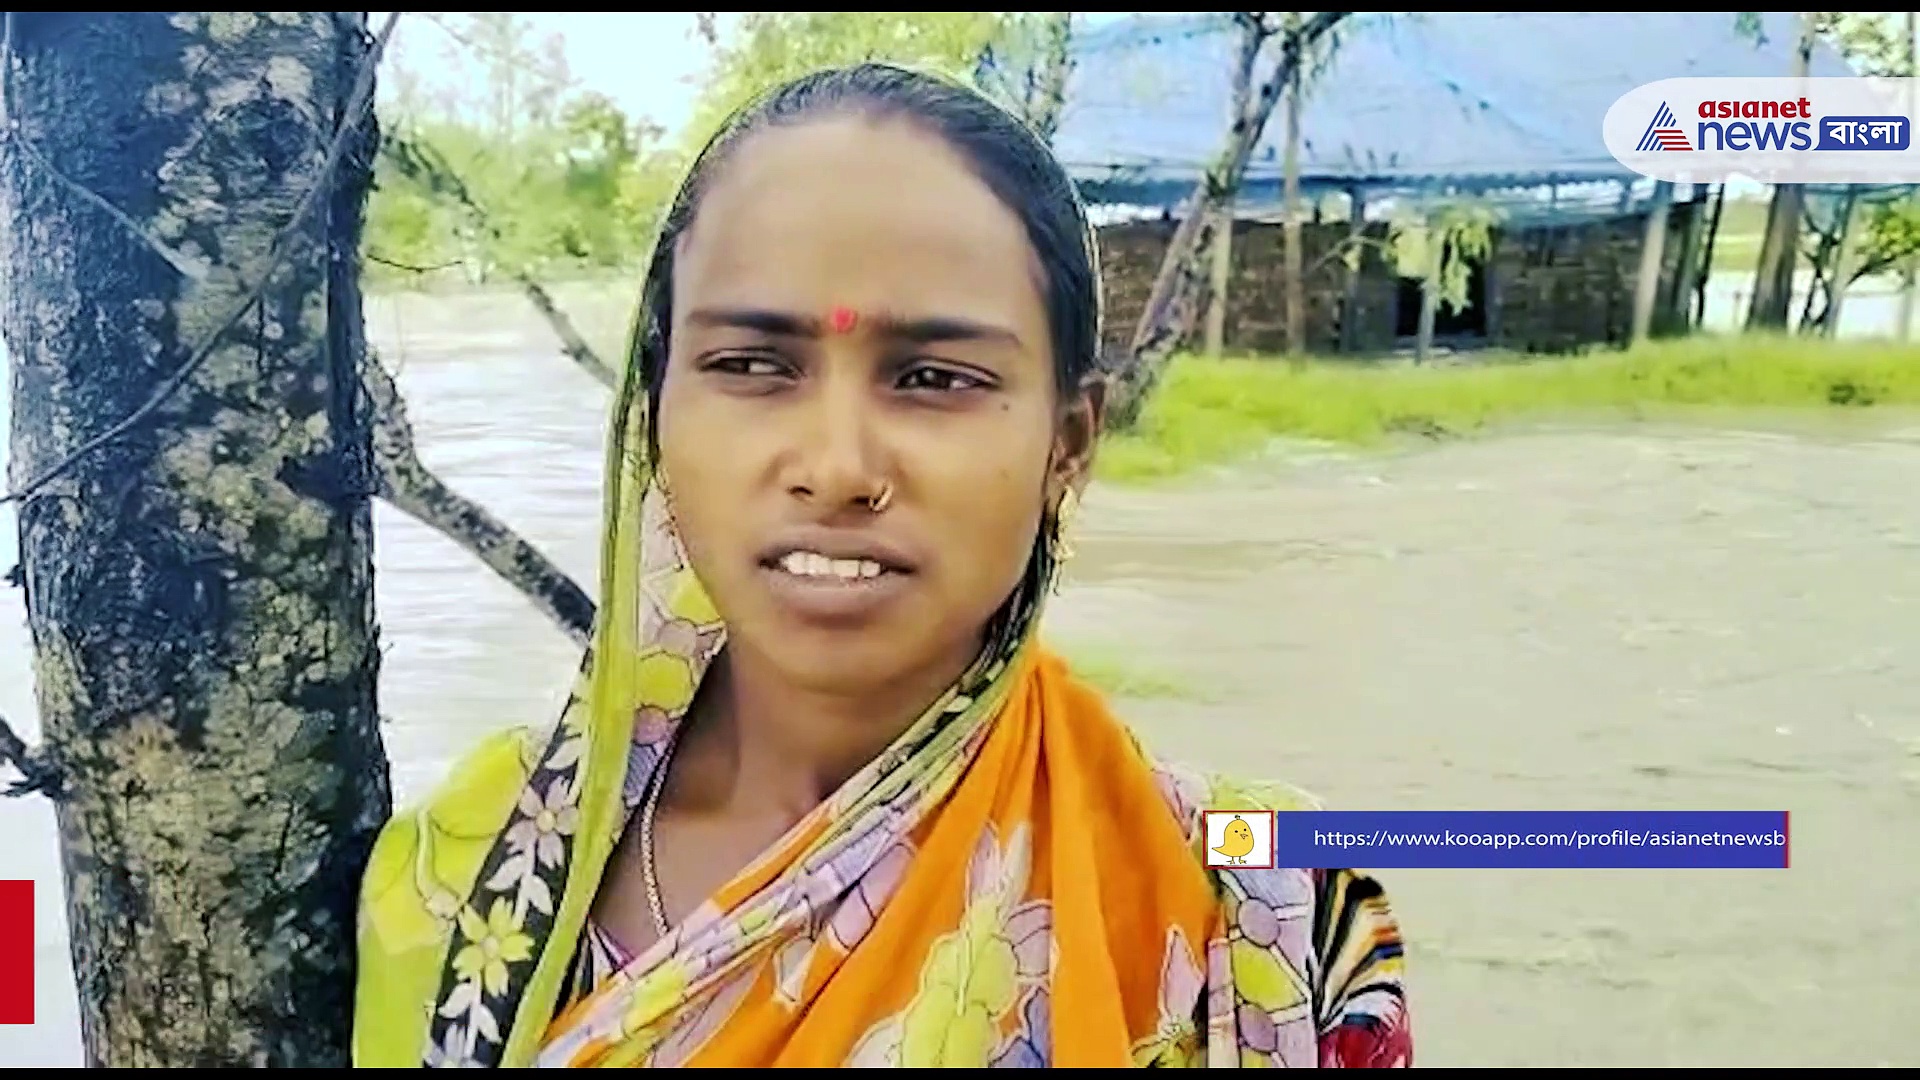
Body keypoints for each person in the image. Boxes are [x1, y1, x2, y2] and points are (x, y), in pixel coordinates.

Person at [350, 62, 1411, 1069]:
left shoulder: (1268, 899)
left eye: (936, 377)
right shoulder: (462, 868)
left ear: (1069, 444)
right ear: (655, 418)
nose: (838, 468)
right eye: (753, 365)